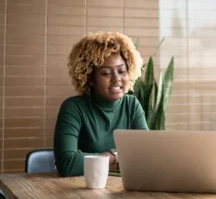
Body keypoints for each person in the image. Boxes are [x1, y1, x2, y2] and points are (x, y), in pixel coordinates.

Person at [54, 32, 148, 177]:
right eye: (106, 73)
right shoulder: (73, 108)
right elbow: (68, 164)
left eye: (122, 71)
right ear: (90, 78)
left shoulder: (132, 105)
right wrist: (117, 156)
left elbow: (147, 155)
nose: (117, 79)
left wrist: (93, 159)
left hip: (123, 188)